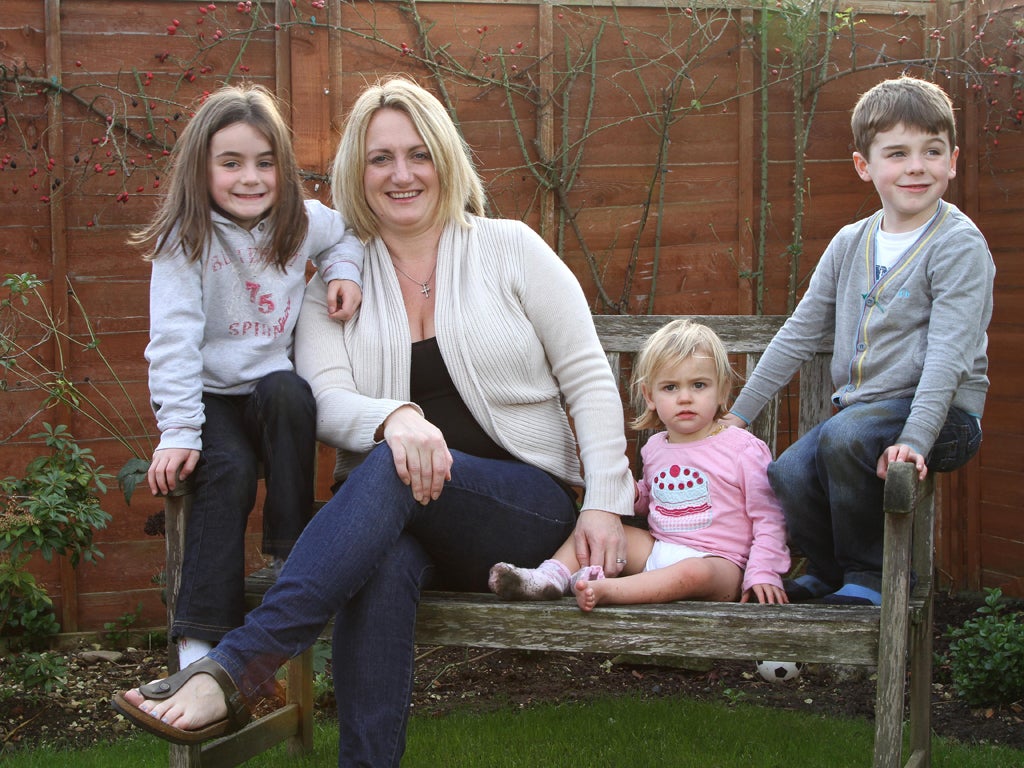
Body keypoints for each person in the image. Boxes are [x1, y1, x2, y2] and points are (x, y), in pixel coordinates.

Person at [112, 76, 636, 765]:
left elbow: (587, 373)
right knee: (380, 557)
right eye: (380, 158)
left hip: (521, 512)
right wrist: (397, 418)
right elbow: (323, 397)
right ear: (356, 171)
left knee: (390, 469)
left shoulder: (511, 249)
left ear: (445, 158)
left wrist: (605, 503)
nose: (401, 174)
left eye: (418, 154)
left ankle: (238, 667)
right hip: (401, 511)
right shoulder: (337, 279)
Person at [720, 75, 995, 607]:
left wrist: (914, 439)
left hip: (943, 416)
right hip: (863, 418)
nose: (917, 166)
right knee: (788, 470)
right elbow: (800, 331)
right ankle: (827, 570)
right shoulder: (851, 242)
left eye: (931, 151)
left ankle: (873, 577)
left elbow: (947, 357)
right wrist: (740, 415)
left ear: (953, 159)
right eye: (897, 153)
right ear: (864, 166)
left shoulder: (958, 246)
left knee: (844, 438)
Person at [137, 84, 365, 668]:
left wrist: (344, 273)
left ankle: (290, 557)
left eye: (266, 163)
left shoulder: (297, 221)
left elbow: (348, 234)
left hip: (268, 392)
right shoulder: (184, 238)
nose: (250, 178)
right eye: (231, 163)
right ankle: (199, 638)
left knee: (293, 392)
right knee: (229, 471)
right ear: (202, 168)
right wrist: (181, 431)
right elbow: (173, 341)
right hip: (207, 396)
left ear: (282, 169)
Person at [490, 318, 790, 611]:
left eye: (699, 385)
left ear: (722, 391)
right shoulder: (656, 447)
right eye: (670, 387)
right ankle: (549, 577)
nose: (685, 398)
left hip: (721, 565)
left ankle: (608, 591)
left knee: (693, 573)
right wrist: (633, 495)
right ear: (650, 396)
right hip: (658, 549)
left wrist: (764, 571)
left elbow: (769, 517)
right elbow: (654, 499)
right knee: (598, 529)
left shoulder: (742, 448)